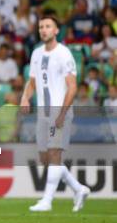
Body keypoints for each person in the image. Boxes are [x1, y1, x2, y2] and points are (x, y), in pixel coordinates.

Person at [20, 16, 90, 212]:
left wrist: (62, 113)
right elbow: (32, 81)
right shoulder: (36, 54)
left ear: (56, 30)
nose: (43, 30)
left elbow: (73, 87)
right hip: (43, 114)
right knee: (45, 158)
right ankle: (79, 188)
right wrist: (25, 97)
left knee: (54, 154)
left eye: (48, 26)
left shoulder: (64, 54)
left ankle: (47, 201)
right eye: (41, 27)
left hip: (59, 111)